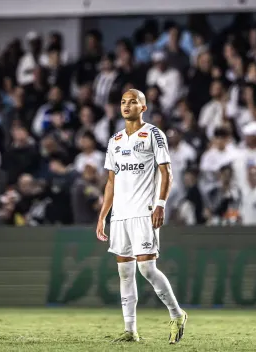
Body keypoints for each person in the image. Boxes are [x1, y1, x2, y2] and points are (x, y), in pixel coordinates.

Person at [96, 89, 187, 344]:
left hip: (144, 211)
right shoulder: (114, 140)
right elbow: (110, 182)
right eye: (123, 102)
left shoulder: (154, 134)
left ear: (143, 107)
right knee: (125, 272)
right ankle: (130, 330)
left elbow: (167, 172)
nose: (126, 106)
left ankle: (177, 314)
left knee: (147, 268)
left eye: (132, 102)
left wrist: (160, 204)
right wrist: (103, 215)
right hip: (120, 216)